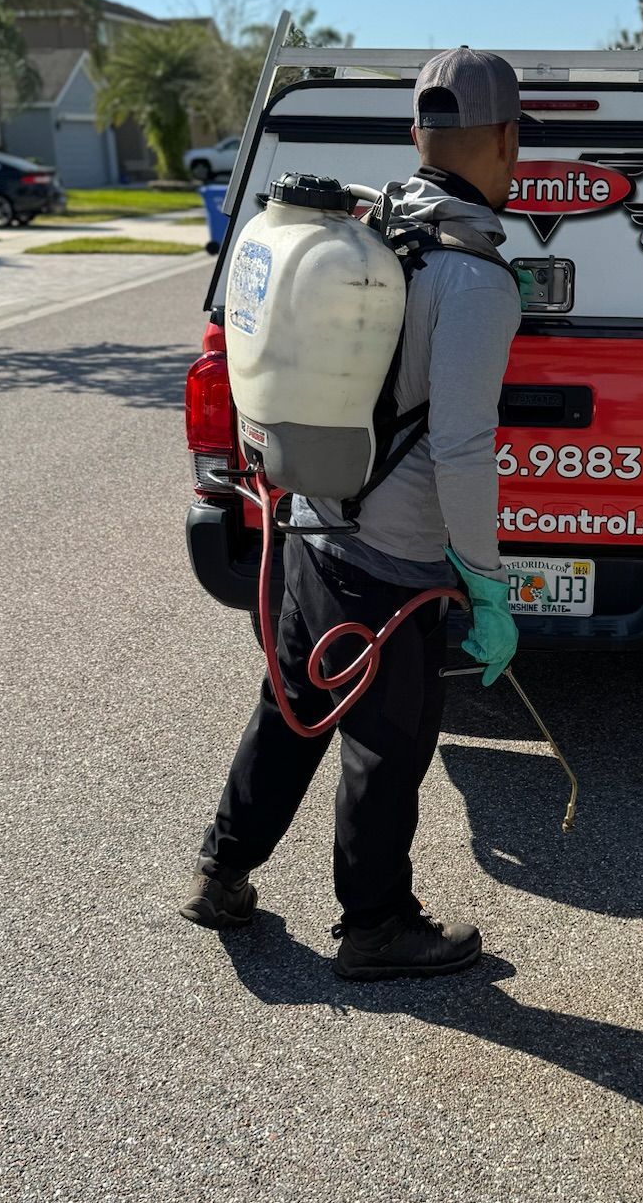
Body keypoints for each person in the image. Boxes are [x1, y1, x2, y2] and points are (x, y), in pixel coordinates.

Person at [182, 48, 525, 979]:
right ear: (508, 140)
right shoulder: (478, 278)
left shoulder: (369, 232)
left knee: (291, 706)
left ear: (418, 135)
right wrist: (487, 585)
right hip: (394, 559)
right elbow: (460, 447)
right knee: (389, 744)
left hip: (311, 528)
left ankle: (222, 871)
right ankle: (375, 927)